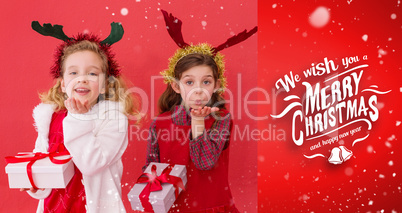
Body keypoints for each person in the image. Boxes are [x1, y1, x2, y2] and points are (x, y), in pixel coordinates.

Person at [143, 10, 257, 212]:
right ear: (176, 86)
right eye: (189, 82)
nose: (198, 89)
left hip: (210, 205)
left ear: (216, 85)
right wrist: (153, 190)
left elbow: (204, 162)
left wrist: (197, 123)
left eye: (206, 81)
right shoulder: (160, 122)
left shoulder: (222, 119)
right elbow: (151, 167)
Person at [23, 21, 139, 213]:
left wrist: (80, 118)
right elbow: (43, 165)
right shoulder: (50, 118)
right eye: (74, 72)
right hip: (54, 207)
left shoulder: (113, 119)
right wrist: (34, 184)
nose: (82, 78)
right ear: (62, 84)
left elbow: (91, 165)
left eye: (92, 73)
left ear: (104, 85)